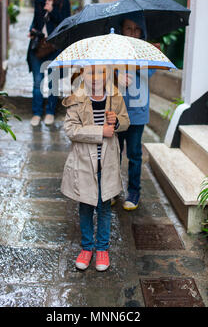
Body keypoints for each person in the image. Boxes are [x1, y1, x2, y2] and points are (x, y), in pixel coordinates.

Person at [61, 65, 130, 271]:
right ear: (83, 74)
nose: (95, 77)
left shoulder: (115, 97)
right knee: (85, 206)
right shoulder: (77, 98)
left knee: (104, 207)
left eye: (100, 72)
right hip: (84, 162)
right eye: (90, 72)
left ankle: (102, 249)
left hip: (107, 163)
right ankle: (87, 247)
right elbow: (71, 129)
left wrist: (116, 121)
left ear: (107, 74)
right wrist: (101, 131)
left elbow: (126, 121)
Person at [116, 15, 155, 211]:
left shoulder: (145, 50)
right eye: (128, 28)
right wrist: (117, 74)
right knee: (114, 152)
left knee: (134, 153)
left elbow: (149, 72)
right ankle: (112, 188)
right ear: (121, 29)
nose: (132, 33)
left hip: (138, 112)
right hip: (116, 111)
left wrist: (132, 63)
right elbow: (105, 70)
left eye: (136, 29)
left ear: (142, 32)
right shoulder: (115, 49)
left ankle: (134, 191)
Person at [27, 0, 71, 126]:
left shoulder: (64, 3)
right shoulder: (39, 2)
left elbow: (65, 25)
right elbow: (35, 22)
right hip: (38, 47)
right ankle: (37, 113)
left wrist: (52, 10)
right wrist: (31, 30)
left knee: (53, 82)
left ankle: (50, 112)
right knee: (37, 82)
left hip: (54, 48)